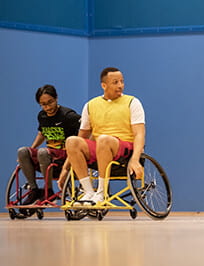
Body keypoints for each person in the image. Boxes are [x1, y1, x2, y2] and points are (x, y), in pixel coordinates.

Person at [62, 67, 146, 205]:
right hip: (100, 150)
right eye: (115, 82)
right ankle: (89, 192)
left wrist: (135, 159)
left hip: (124, 150)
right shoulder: (90, 105)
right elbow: (82, 137)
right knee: (72, 141)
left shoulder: (133, 102)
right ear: (104, 85)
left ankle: (101, 192)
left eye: (122, 81)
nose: (120, 85)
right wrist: (65, 169)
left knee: (103, 139)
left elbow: (139, 133)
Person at [15, 85, 81, 204]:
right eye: (43, 104)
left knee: (43, 152)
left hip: (65, 155)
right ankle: (34, 190)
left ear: (56, 98)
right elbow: (41, 134)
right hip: (49, 155)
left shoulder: (68, 115)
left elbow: (85, 130)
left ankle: (48, 190)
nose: (47, 107)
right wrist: (31, 149)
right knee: (22, 151)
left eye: (50, 102)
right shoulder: (42, 116)